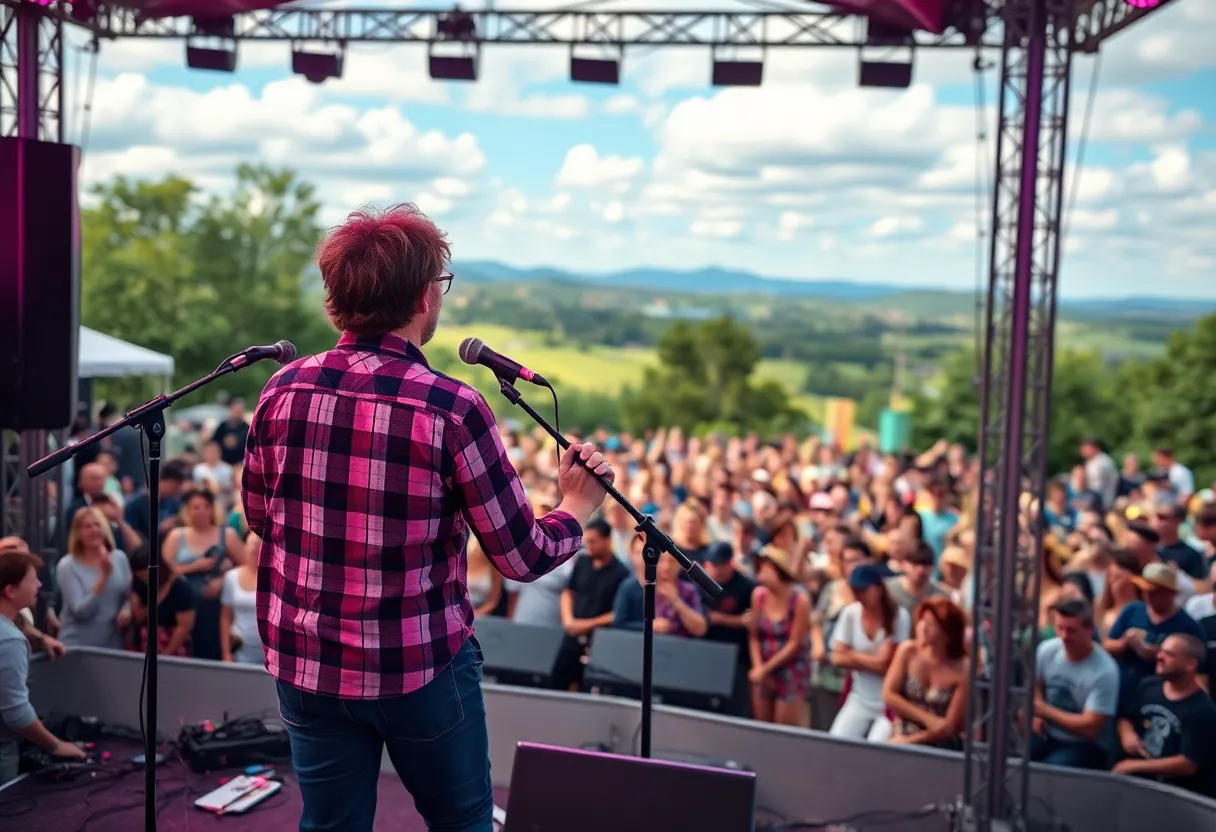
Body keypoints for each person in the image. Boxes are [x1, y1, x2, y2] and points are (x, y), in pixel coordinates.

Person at [243, 204, 613, 832]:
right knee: (464, 821)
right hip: (417, 669)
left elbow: (260, 516)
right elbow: (521, 559)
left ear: (336, 304)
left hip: (307, 663)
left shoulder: (282, 391)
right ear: (424, 296)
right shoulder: (452, 408)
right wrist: (576, 506)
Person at [0, 549, 87, 784]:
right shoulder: (9, 641)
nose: (39, 585)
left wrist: (38, 636)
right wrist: (56, 745)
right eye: (32, 580)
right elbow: (16, 714)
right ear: (10, 590)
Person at [1115, 633, 1216, 797]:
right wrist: (1127, 734)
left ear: (1190, 664)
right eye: (1161, 651)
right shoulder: (1149, 686)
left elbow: (1187, 763)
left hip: (1175, 793)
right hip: (1137, 782)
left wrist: (1132, 766)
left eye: (1169, 654)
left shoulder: (1203, 711)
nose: (1159, 656)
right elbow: (1126, 717)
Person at [1030, 599, 1119, 769]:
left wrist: (1044, 710)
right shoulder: (1046, 650)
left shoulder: (1104, 670)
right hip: (1047, 734)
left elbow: (1090, 728)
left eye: (1071, 631)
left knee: (1052, 772)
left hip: (1085, 744)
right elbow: (1035, 684)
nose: (1064, 636)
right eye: (1059, 628)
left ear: (1089, 629)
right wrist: (1036, 715)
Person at [882, 597, 969, 749]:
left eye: (931, 624)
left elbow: (949, 727)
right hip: (902, 730)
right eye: (922, 621)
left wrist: (911, 742)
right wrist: (927, 719)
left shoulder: (963, 669)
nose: (923, 627)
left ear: (947, 633)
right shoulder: (908, 651)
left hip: (938, 742)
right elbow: (889, 694)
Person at [747, 545, 810, 727]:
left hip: (790, 667)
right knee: (761, 723)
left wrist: (766, 669)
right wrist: (759, 667)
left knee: (784, 726)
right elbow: (754, 636)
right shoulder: (758, 596)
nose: (762, 573)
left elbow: (795, 643)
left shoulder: (799, 600)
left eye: (768, 567)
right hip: (763, 664)